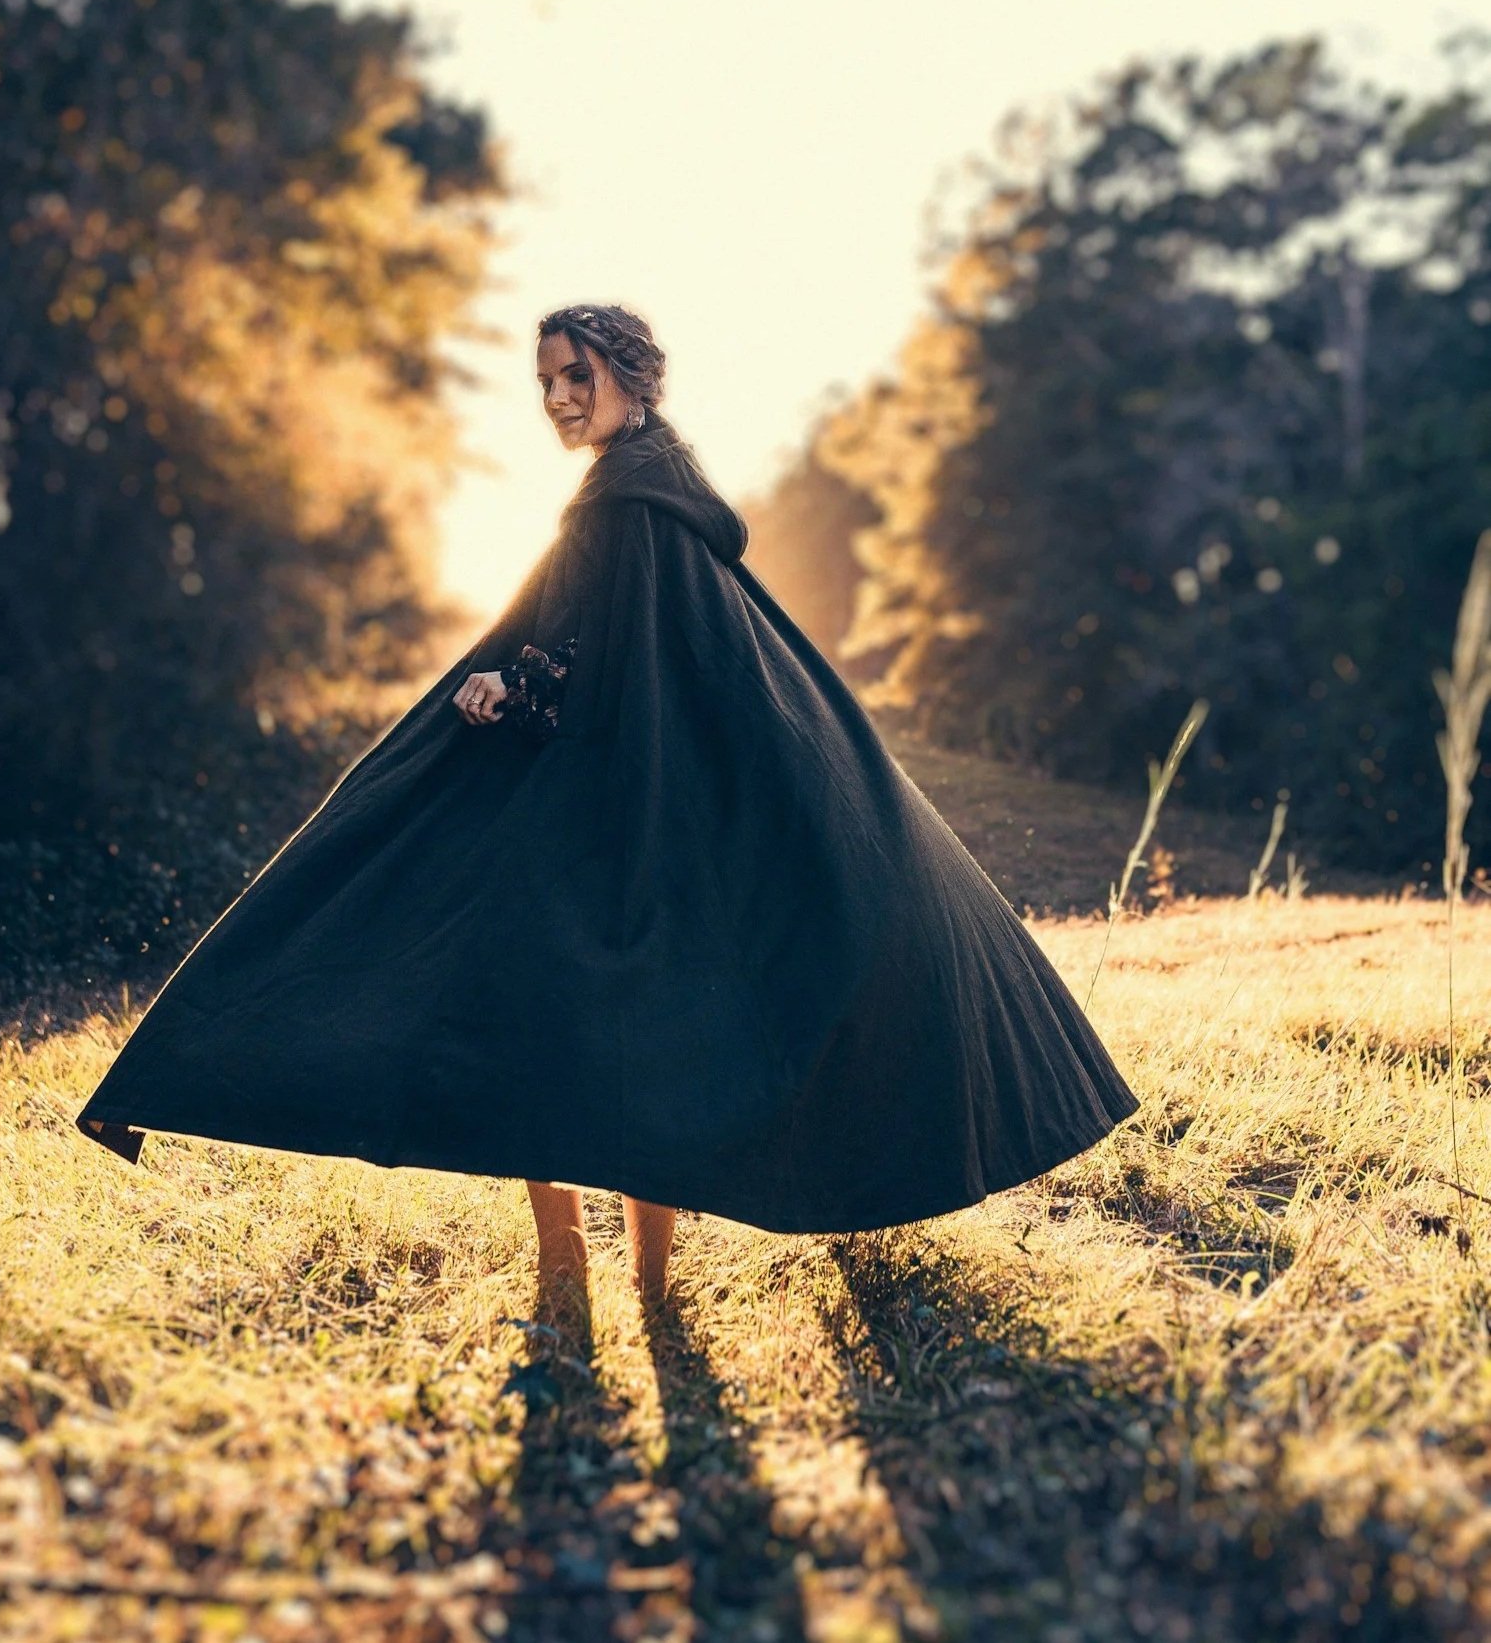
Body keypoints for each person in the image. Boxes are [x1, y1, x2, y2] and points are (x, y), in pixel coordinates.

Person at [75, 302, 1141, 1320]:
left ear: (631, 377)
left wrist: (509, 685)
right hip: (647, 809)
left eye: (575, 376)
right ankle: (635, 1276)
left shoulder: (623, 502)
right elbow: (613, 643)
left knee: (549, 1032)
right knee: (625, 1037)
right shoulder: (660, 487)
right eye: (544, 380)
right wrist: (521, 673)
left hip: (608, 819)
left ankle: (576, 1267)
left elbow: (594, 660)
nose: (557, 397)